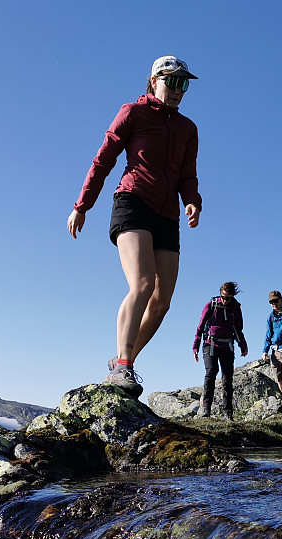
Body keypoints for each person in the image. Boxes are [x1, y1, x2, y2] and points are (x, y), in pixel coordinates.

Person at [67, 55, 202, 397]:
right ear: (153, 81)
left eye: (183, 84)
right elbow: (104, 159)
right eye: (171, 82)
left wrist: (193, 200)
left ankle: (121, 363)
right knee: (142, 284)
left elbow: (188, 174)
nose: (177, 90)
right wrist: (81, 206)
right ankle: (125, 366)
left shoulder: (188, 129)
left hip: (167, 214)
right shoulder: (132, 112)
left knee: (162, 300)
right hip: (133, 202)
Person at [193, 282, 248, 420]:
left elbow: (238, 329)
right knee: (211, 372)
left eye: (228, 298)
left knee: (227, 379)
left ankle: (228, 413)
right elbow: (200, 327)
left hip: (227, 346)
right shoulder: (210, 306)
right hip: (210, 344)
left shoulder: (235, 308)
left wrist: (243, 345)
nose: (225, 300)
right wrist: (195, 346)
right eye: (223, 297)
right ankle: (206, 409)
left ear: (233, 297)